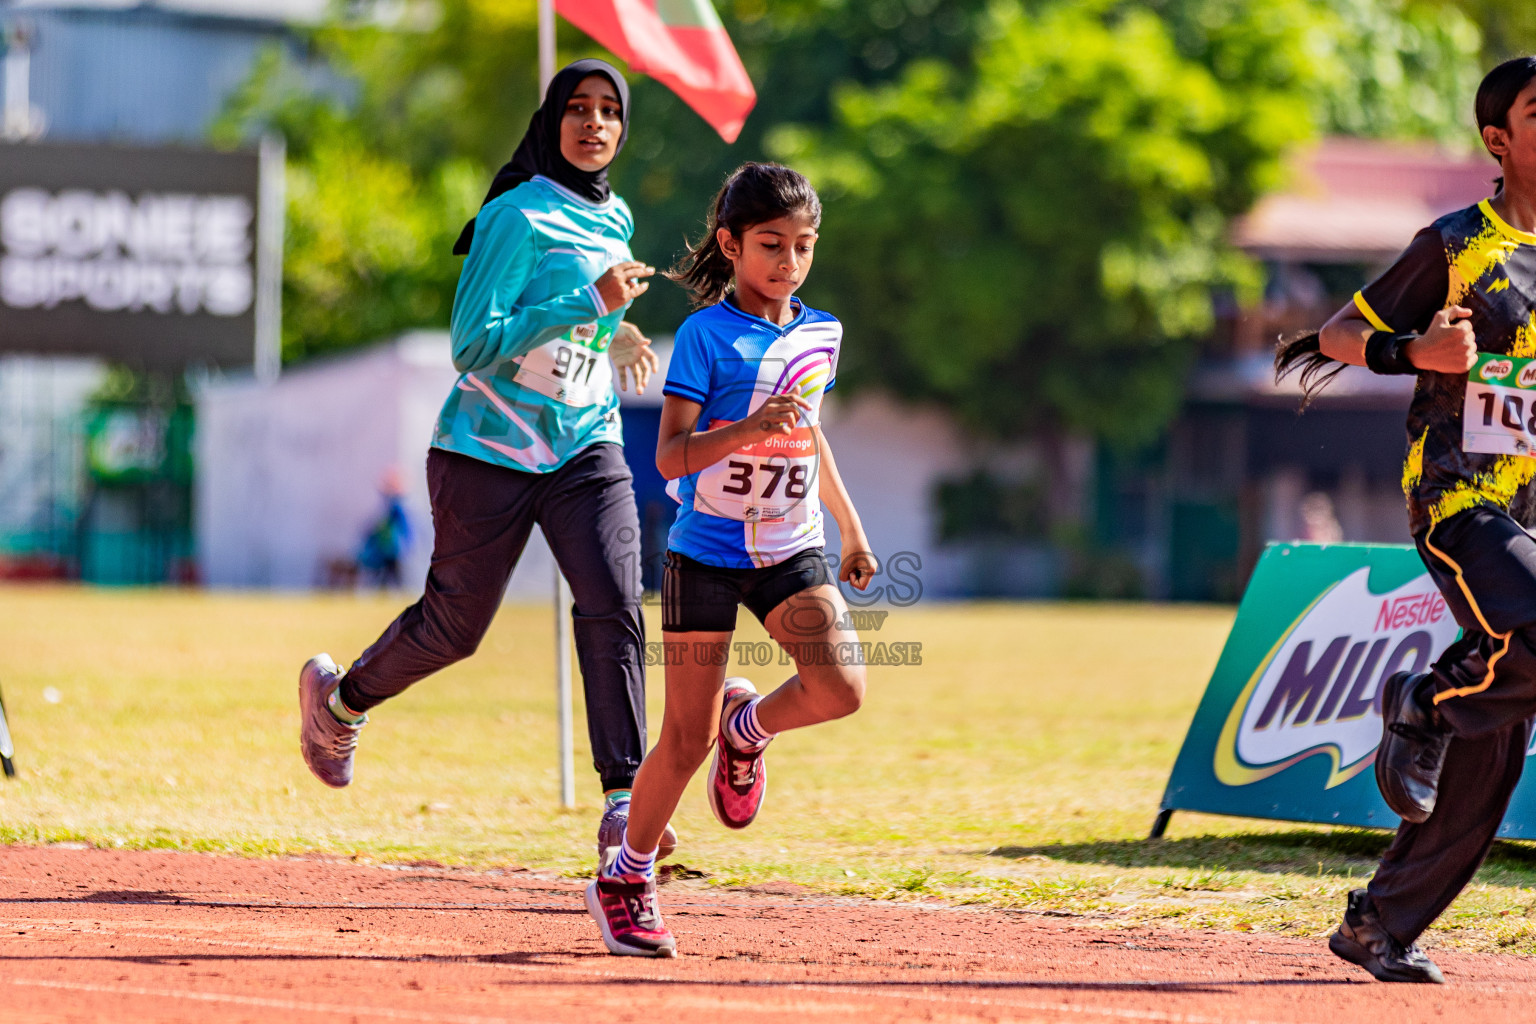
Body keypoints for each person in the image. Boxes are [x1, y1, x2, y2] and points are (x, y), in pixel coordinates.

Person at [298, 58, 677, 864]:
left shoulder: (619, 219)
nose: (594, 122)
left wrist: (617, 334)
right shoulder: (518, 213)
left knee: (613, 601)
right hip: (489, 448)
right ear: (552, 120)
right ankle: (340, 702)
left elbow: (586, 326)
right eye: (577, 107)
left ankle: (624, 801)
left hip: (584, 443)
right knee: (456, 628)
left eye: (610, 110)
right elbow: (473, 344)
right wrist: (591, 303)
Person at [1275, 56, 1536, 985]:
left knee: (1496, 738)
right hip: (1463, 499)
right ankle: (1421, 703)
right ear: (1497, 139)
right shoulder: (1460, 242)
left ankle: (1379, 924)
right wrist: (1414, 348)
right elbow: (1339, 333)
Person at [584, 163, 877, 958]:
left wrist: (850, 529)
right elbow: (672, 456)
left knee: (842, 688)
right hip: (706, 552)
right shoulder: (709, 336)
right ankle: (626, 878)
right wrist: (747, 429)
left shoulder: (824, 332)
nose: (789, 262)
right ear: (731, 244)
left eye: (804, 246)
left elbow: (810, 434)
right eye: (771, 245)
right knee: (683, 739)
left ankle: (747, 728)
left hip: (792, 547)